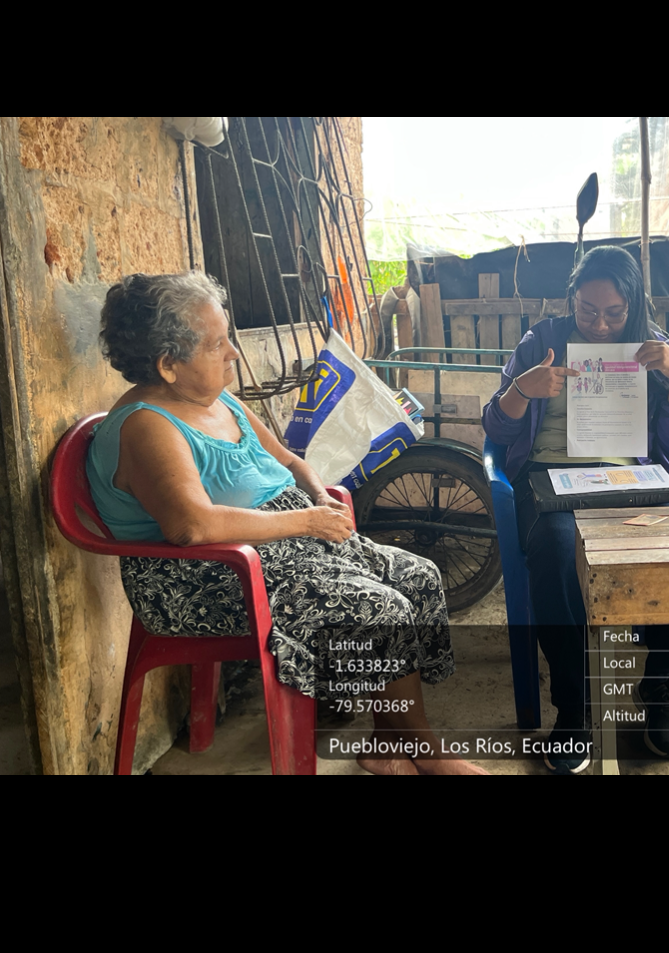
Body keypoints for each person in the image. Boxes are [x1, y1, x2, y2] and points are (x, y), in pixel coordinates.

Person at [86, 271, 486, 775]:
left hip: (282, 546)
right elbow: (192, 527)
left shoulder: (218, 401)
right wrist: (308, 522)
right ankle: (426, 750)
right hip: (206, 575)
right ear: (168, 364)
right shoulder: (148, 426)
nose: (233, 353)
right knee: (382, 609)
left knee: (418, 577)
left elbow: (292, 462)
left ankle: (387, 746)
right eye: (216, 344)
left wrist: (320, 499)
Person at [482, 245, 669, 772]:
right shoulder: (542, 341)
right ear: (571, 300)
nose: (600, 325)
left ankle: (660, 687)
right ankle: (575, 706)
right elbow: (496, 428)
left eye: (614, 314)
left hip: (632, 480)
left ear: (634, 305)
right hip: (550, 480)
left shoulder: (656, 347)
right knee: (558, 548)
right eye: (588, 311)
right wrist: (521, 390)